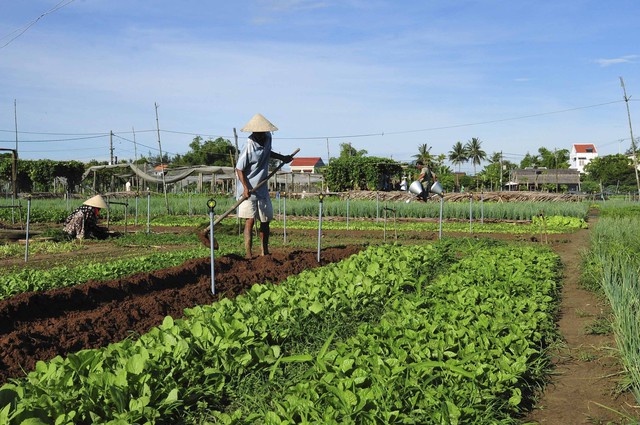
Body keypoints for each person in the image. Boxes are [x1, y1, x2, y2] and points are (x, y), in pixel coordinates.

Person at [235, 113, 292, 258]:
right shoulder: (249, 146)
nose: (261, 134)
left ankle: (264, 251)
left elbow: (267, 152)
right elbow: (239, 169)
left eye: (263, 132)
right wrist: (246, 188)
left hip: (262, 187)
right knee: (250, 220)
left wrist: (282, 158)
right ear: (254, 132)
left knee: (265, 220)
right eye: (258, 132)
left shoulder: (268, 138)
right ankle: (248, 253)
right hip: (248, 189)